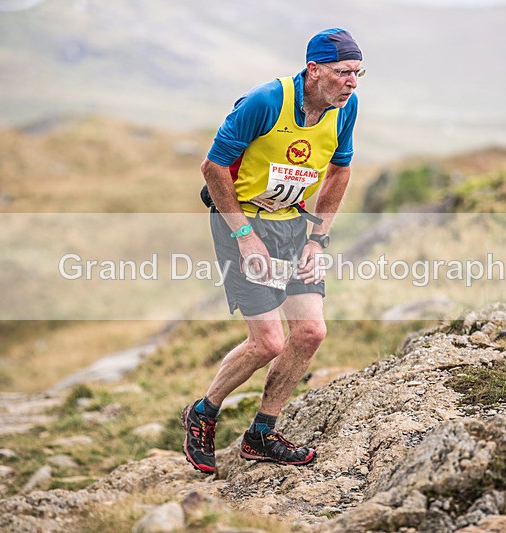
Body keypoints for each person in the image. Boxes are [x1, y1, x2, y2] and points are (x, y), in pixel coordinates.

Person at [181, 28, 363, 474]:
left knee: (310, 332)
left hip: (294, 223)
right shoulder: (264, 102)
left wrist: (318, 238)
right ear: (313, 70)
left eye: (358, 73)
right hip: (240, 221)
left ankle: (262, 433)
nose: (352, 83)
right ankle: (203, 411)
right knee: (267, 341)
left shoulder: (345, 108)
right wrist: (244, 235)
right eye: (343, 73)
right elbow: (213, 167)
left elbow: (340, 170)